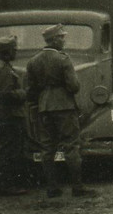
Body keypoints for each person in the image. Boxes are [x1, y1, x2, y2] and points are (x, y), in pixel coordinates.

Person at [26, 24, 95, 198]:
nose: (64, 40)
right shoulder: (63, 59)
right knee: (71, 145)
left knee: (47, 148)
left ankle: (52, 187)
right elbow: (74, 86)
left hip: (44, 106)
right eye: (62, 37)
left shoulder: (33, 61)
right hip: (64, 106)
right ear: (54, 40)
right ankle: (77, 187)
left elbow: (31, 89)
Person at [0, 36, 28, 195]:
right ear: (7, 51)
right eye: (14, 49)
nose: (16, 51)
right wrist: (23, 93)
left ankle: (5, 184)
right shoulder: (3, 68)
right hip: (6, 115)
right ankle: (8, 186)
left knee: (3, 149)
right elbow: (5, 94)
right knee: (9, 151)